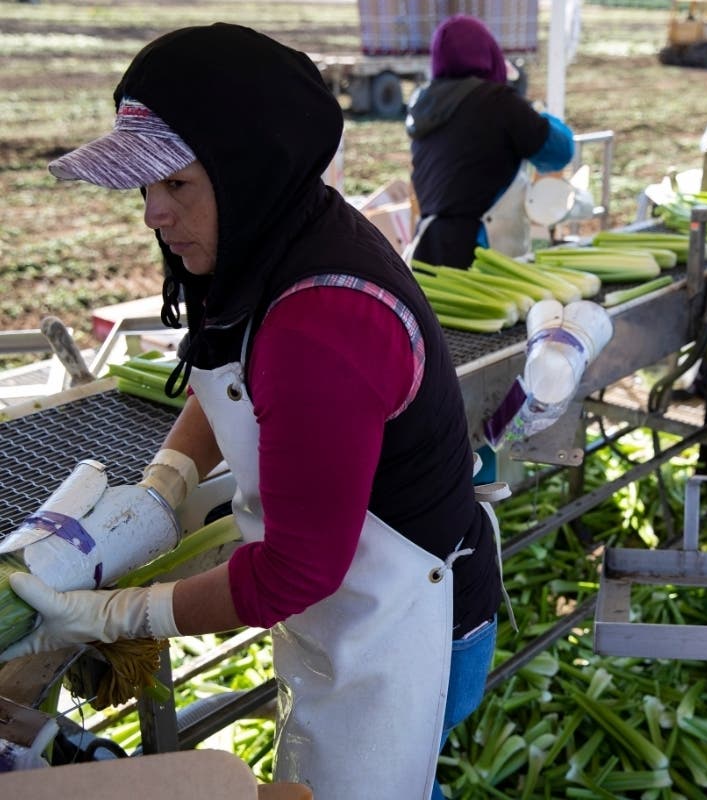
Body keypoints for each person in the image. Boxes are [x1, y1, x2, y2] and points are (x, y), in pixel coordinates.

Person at [0, 23, 506, 800]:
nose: (152, 216)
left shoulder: (323, 322)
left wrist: (111, 614)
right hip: (351, 599)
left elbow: (292, 574)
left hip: (407, 622)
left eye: (176, 185)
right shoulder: (271, 235)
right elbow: (223, 366)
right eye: (146, 187)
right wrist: (167, 480)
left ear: (246, 171)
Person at [405, 14, 576, 268]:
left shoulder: (424, 104)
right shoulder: (498, 101)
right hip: (482, 255)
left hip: (428, 251)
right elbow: (559, 151)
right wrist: (536, 110)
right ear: (489, 53)